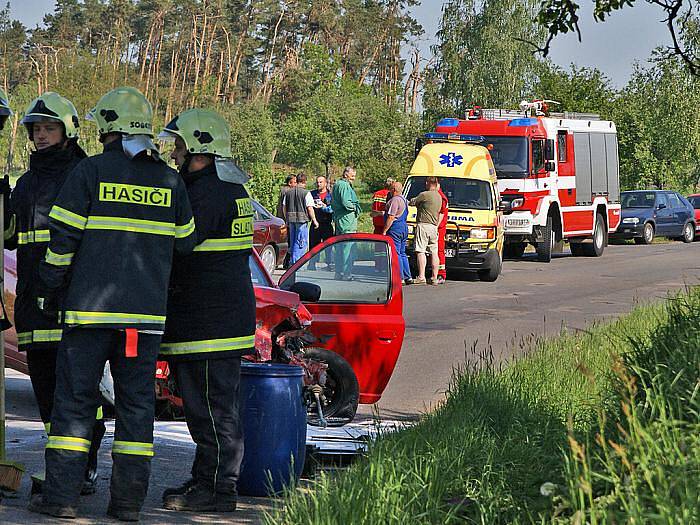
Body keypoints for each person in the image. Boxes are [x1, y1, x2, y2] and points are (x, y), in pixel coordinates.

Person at [29, 86, 196, 521]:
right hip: (142, 322)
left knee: (75, 405)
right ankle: (126, 505)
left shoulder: (90, 172)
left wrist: (49, 289)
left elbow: (61, 243)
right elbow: (186, 244)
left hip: (88, 316)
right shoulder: (169, 180)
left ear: (106, 125)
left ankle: (62, 498)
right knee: (137, 411)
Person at [4, 93, 105, 495]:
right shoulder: (27, 181)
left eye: (49, 128)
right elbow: (11, 240)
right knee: (46, 390)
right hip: (34, 304)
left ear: (68, 131)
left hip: (73, 303)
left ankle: (84, 465)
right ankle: (64, 467)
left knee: (78, 391)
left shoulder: (84, 174)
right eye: (36, 129)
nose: (41, 135)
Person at [158, 109, 255, 512]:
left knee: (213, 413)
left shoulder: (206, 193)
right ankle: (207, 479)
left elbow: (179, 245)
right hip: (217, 318)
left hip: (209, 322)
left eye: (179, 145)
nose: (175, 153)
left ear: (200, 147)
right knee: (208, 410)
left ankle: (218, 490)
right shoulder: (228, 188)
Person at [409, 176, 443, 285]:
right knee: (434, 252)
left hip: (423, 225)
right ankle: (434, 277)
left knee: (420, 251)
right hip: (434, 226)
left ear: (428, 183)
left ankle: (421, 276)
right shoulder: (439, 197)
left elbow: (413, 202)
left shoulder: (425, 194)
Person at [331, 166, 362, 280]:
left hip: (340, 219)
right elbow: (346, 202)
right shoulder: (344, 185)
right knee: (348, 249)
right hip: (346, 221)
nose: (353, 178)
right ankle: (346, 273)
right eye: (352, 175)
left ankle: (338, 273)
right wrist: (354, 207)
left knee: (339, 247)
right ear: (346, 174)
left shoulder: (338, 184)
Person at [283, 172, 318, 264]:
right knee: (300, 243)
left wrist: (286, 218)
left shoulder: (288, 192)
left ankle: (292, 260)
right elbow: (310, 208)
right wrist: (314, 220)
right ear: (304, 181)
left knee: (293, 241)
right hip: (302, 220)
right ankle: (296, 262)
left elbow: (284, 206)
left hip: (291, 220)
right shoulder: (306, 193)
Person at [382, 181, 412, 285]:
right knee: (403, 253)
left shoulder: (395, 200)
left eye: (390, 189)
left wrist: (385, 230)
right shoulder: (404, 199)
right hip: (404, 227)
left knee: (396, 253)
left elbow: (391, 217)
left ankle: (400, 278)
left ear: (393, 190)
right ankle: (408, 276)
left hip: (395, 228)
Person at [309, 175, 334, 269]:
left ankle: (329, 264)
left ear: (325, 183)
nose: (318, 184)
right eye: (317, 182)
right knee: (314, 245)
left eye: (321, 182)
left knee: (328, 245)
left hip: (327, 223)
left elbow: (333, 209)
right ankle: (312, 264)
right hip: (316, 223)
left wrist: (324, 206)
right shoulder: (312, 194)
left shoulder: (330, 195)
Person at [437, 182, 449, 284]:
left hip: (438, 228)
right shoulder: (439, 196)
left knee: (439, 251)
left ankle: (441, 273)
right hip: (437, 227)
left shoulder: (440, 197)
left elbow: (441, 213)